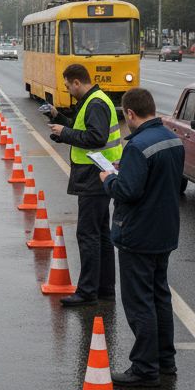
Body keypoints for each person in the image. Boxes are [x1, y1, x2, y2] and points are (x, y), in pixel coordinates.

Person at [101, 87, 184, 387]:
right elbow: (159, 180)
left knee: (139, 303)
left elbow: (128, 192)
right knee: (160, 297)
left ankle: (144, 369)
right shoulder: (171, 139)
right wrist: (128, 171)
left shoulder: (136, 147)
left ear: (130, 114)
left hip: (138, 234)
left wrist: (109, 178)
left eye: (126, 116)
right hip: (164, 232)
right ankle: (165, 362)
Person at [44, 63, 122, 307]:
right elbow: (83, 129)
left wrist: (65, 133)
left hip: (94, 174)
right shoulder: (94, 100)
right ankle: (105, 288)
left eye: (68, 85)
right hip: (99, 173)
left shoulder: (95, 103)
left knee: (88, 235)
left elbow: (95, 137)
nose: (68, 89)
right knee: (100, 234)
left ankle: (88, 291)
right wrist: (59, 119)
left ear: (77, 82)